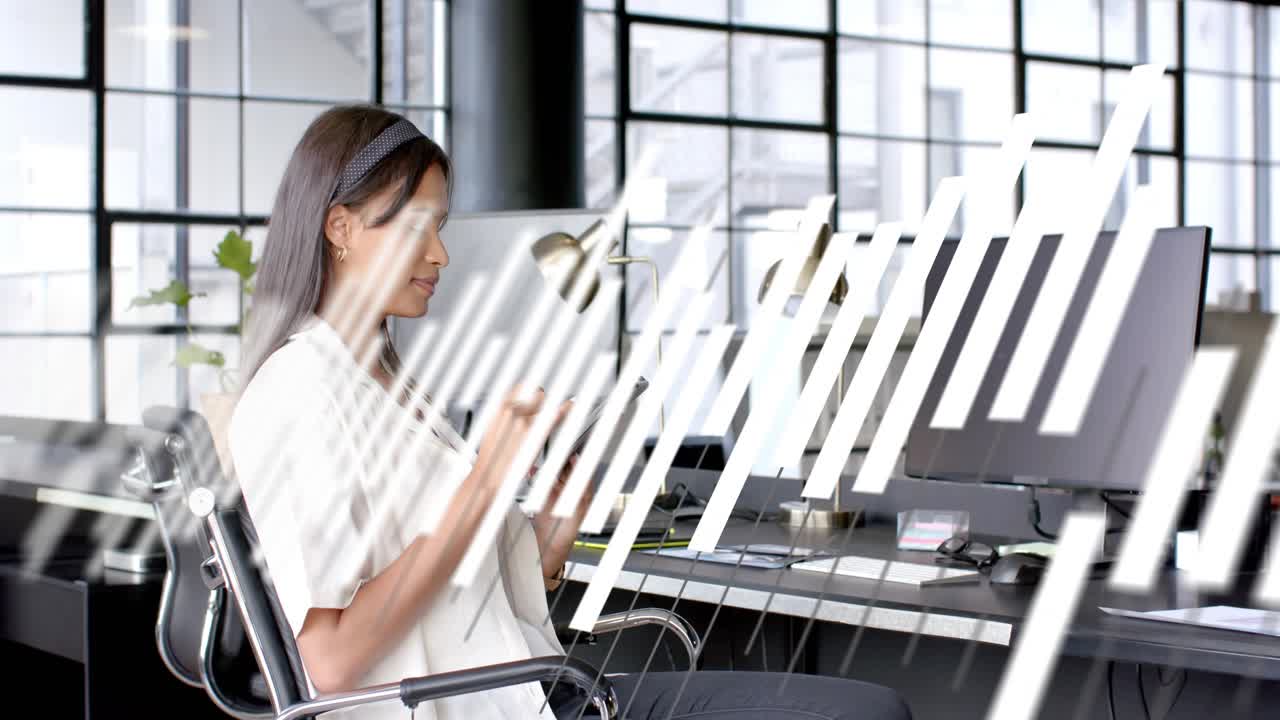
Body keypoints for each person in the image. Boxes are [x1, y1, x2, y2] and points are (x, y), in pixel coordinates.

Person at [228, 105, 911, 720]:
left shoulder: (382, 379)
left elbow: (447, 594)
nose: (439, 254)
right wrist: (484, 486)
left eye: (439, 227)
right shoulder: (296, 394)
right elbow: (329, 662)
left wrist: (544, 548)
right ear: (339, 227)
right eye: (416, 228)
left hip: (539, 693)